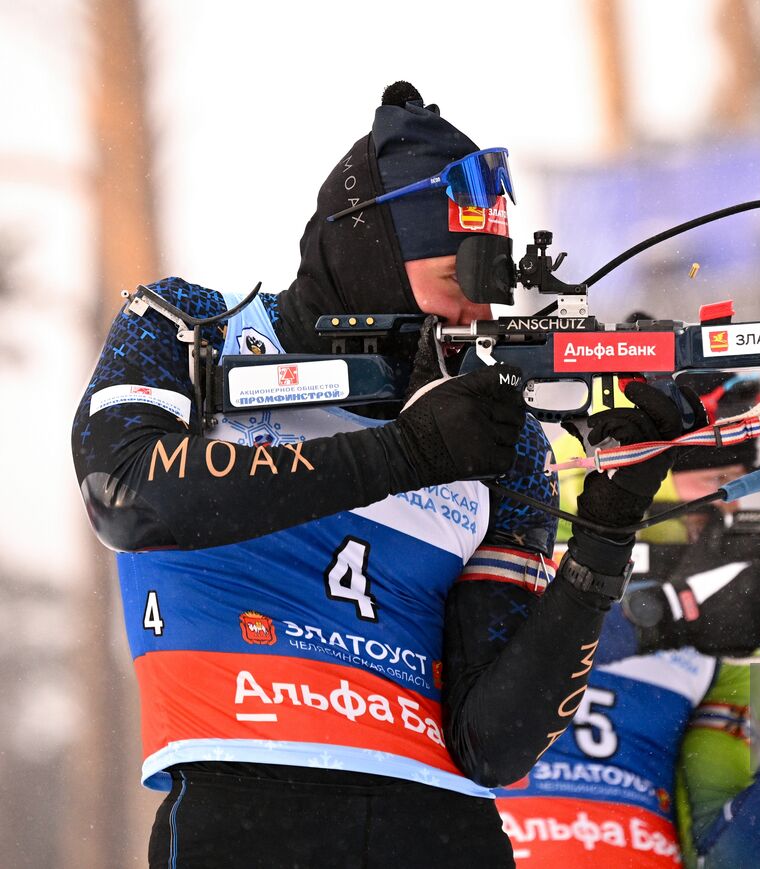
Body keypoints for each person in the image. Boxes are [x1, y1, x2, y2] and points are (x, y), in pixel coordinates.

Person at [72, 82, 687, 867]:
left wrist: (605, 533)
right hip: (245, 806)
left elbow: (494, 745)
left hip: (441, 828)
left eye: (490, 301)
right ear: (369, 247)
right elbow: (124, 494)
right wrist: (406, 456)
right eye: (456, 288)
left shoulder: (504, 440)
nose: (474, 322)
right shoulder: (191, 328)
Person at [499, 372, 760, 867]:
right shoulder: (528, 543)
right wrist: (664, 615)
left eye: (740, 482)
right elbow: (490, 671)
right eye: (715, 482)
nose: (730, 506)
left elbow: (733, 855)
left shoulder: (720, 628)